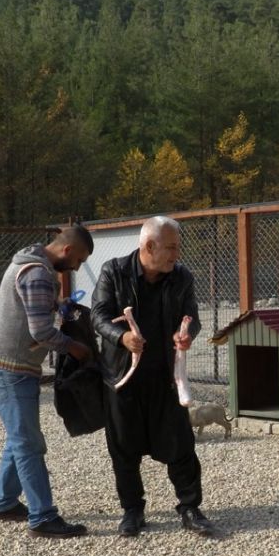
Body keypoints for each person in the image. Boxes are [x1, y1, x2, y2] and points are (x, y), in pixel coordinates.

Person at [92, 215, 216, 538]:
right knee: (123, 447)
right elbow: (98, 315)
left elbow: (193, 318)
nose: (177, 254)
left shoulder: (181, 277)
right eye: (171, 248)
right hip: (122, 376)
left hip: (165, 375)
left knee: (180, 443)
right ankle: (132, 510)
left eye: (177, 247)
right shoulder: (113, 271)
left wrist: (186, 334)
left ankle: (190, 507)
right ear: (149, 246)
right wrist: (122, 338)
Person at [0, 224, 94, 538]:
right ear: (67, 250)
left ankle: (3, 503)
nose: (77, 267)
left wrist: (59, 306)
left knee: (19, 437)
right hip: (10, 369)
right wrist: (76, 347)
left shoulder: (30, 263)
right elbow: (41, 332)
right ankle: (43, 518)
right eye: (79, 260)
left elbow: (32, 310)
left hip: (7, 365)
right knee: (28, 443)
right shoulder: (39, 274)